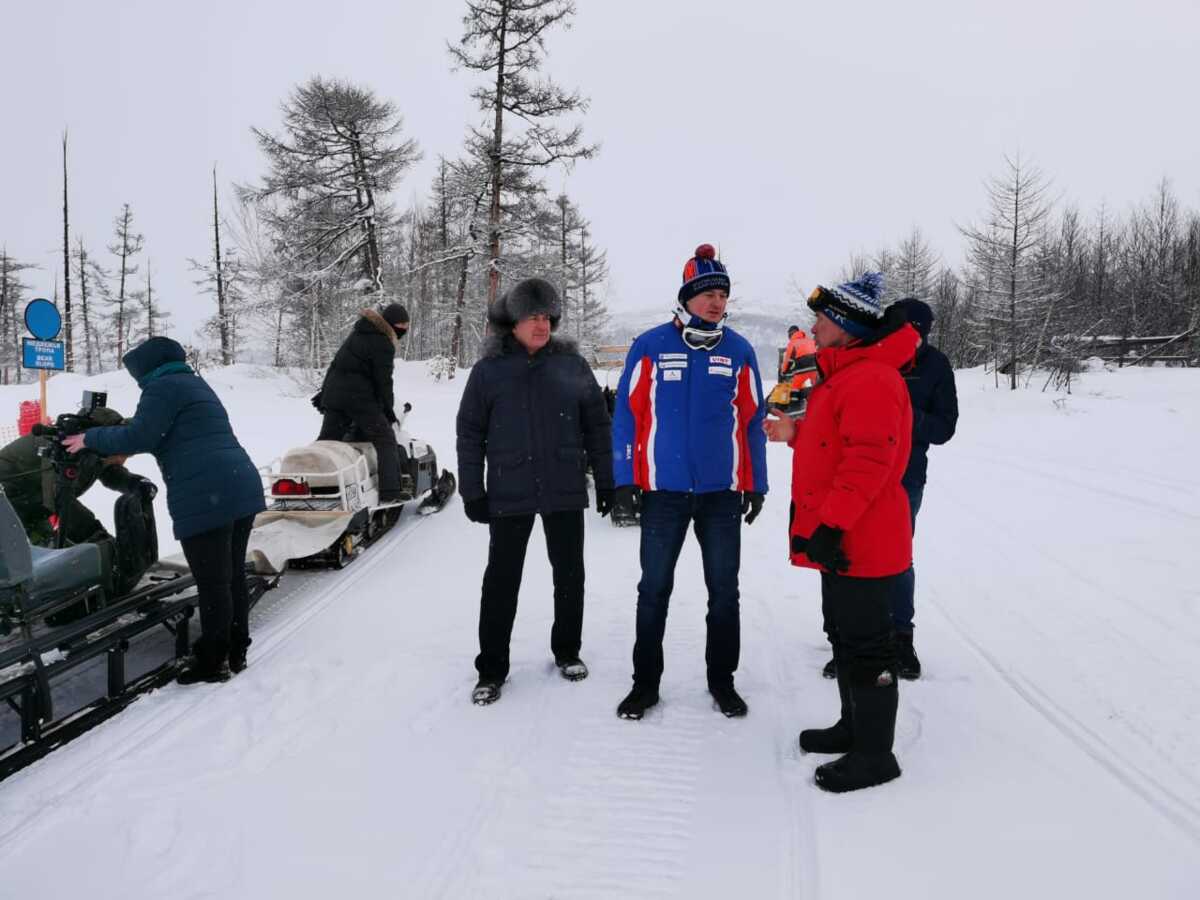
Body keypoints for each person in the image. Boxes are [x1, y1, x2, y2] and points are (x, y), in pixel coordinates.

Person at [765, 272, 919, 792]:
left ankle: (876, 755)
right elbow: (836, 440)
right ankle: (854, 727)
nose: (814, 326)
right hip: (844, 536)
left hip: (863, 537)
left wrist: (831, 525)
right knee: (845, 636)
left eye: (822, 319)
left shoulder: (873, 378)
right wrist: (796, 431)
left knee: (869, 645)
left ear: (845, 327)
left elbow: (869, 461)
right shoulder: (848, 372)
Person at [611, 244, 768, 721]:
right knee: (653, 588)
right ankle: (645, 685)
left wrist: (755, 482)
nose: (716, 302)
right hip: (664, 494)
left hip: (720, 496)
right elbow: (626, 417)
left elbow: (752, 420)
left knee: (724, 591)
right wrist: (624, 477)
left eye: (722, 294)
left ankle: (722, 681)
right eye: (707, 294)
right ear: (686, 297)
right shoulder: (651, 346)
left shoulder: (739, 350)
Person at [64, 337, 266, 684]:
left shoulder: (162, 388)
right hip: (239, 483)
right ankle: (236, 650)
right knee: (230, 575)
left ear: (148, 368)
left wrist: (89, 439)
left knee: (213, 582)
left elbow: (141, 436)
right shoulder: (192, 383)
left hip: (207, 493)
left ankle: (212, 661)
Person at [456, 278, 613, 706]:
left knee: (569, 574)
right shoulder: (489, 371)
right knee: (502, 581)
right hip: (510, 488)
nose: (541, 325)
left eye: (546, 317)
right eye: (532, 317)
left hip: (563, 486)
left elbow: (598, 426)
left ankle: (567, 651)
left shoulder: (572, 366)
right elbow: (470, 432)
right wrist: (472, 490)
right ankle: (491, 669)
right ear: (513, 322)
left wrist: (608, 480)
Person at [819, 297, 958, 681]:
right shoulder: (865, 359)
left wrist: (899, 415)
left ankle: (900, 639)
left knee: (896, 560)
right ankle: (840, 640)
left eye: (915, 332)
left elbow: (946, 426)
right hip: (849, 473)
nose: (907, 338)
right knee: (837, 553)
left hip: (904, 477)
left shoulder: (935, 365)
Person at [0, 407, 150, 548]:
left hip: (31, 510)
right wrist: (95, 535)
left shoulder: (93, 448)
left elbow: (109, 471)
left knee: (56, 557)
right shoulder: (63, 448)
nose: (122, 460)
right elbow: (59, 497)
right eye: (122, 453)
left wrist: (133, 483)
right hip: (9, 505)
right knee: (35, 560)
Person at [315, 303, 410, 503]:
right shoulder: (383, 342)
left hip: (335, 395)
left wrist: (324, 395)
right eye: (402, 324)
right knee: (385, 438)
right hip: (358, 399)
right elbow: (383, 382)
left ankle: (317, 484)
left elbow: (336, 364)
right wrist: (389, 412)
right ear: (391, 324)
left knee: (328, 441)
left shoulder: (358, 333)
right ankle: (390, 492)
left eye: (407, 324)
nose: (405, 329)